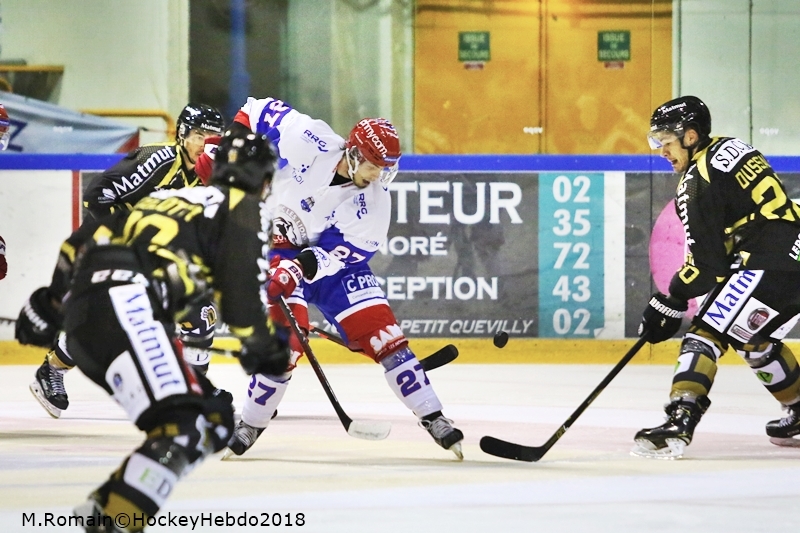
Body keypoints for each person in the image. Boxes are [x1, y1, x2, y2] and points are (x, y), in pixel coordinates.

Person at [15, 130, 291, 532]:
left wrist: (51, 301)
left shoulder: (169, 197)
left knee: (206, 417)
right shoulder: (243, 208)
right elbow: (243, 305)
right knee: (196, 426)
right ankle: (116, 523)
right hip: (129, 307)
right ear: (263, 179)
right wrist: (265, 350)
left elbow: (83, 239)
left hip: (86, 319)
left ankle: (104, 513)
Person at [217, 96, 465, 460]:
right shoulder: (309, 139)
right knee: (284, 347)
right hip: (274, 248)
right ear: (353, 153)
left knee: (386, 337)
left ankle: (434, 416)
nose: (378, 174)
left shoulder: (376, 204)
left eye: (385, 167)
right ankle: (251, 422)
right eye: (373, 165)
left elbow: (339, 255)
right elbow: (254, 109)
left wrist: (297, 269)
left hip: (330, 267)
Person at [29, 103, 226, 419]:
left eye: (214, 137)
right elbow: (96, 196)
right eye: (200, 135)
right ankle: (51, 368)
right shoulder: (158, 160)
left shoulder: (211, 176)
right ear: (183, 135)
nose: (207, 143)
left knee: (201, 316)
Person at [633, 95, 800, 458]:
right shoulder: (730, 146)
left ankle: (680, 420)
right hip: (791, 251)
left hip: (770, 260)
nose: (661, 149)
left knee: (705, 334)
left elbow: (706, 266)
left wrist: (671, 299)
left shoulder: (695, 182)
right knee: (752, 336)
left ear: (690, 136)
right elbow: (728, 247)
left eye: (665, 139)